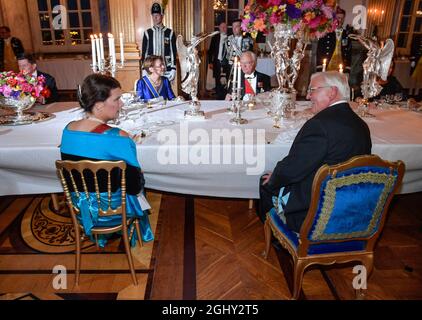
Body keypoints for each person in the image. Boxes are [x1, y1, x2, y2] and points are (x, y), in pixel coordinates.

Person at [258, 71, 372, 233]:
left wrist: (275, 177)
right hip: (350, 208)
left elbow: (294, 168)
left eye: (313, 90)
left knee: (266, 182)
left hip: (315, 213)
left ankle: (278, 238)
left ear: (332, 92)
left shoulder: (319, 125)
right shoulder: (361, 124)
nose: (308, 96)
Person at [60, 74, 154, 247]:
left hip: (80, 209)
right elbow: (134, 187)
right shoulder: (119, 137)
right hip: (113, 212)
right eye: (117, 99)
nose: (122, 104)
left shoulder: (67, 130)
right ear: (98, 105)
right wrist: (127, 145)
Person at [141, 2, 177, 82]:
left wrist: (173, 68)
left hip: (166, 69)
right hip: (151, 69)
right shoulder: (147, 33)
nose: (155, 17)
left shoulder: (170, 32)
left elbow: (173, 52)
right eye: (153, 15)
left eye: (157, 15)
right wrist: (144, 68)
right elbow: (144, 53)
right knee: (152, 92)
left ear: (162, 15)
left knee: (165, 92)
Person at [316, 7, 354, 73]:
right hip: (327, 66)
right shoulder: (326, 32)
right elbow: (319, 50)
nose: (340, 20)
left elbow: (348, 53)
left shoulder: (347, 34)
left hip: (341, 68)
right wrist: (319, 67)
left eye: (342, 18)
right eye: (338, 18)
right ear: (334, 19)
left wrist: (347, 69)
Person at [222, 19, 254, 87]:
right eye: (233, 27)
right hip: (231, 68)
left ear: (241, 27)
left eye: (236, 26)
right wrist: (224, 69)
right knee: (231, 87)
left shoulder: (248, 39)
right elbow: (224, 55)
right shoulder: (227, 40)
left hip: (245, 67)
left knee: (244, 85)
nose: (234, 29)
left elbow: (251, 54)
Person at [207, 21, 228, 99]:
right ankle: (219, 96)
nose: (223, 28)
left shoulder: (230, 37)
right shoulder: (215, 38)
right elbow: (210, 51)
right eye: (222, 27)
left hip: (227, 62)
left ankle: (226, 95)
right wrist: (210, 62)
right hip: (217, 61)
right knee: (217, 79)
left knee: (227, 78)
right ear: (219, 28)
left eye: (225, 27)